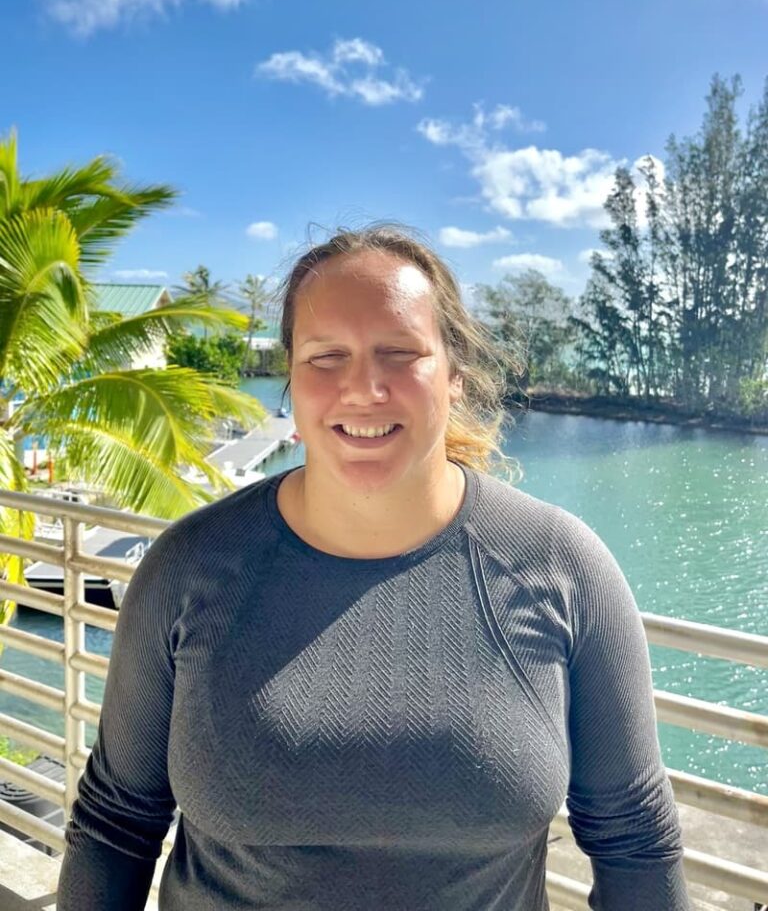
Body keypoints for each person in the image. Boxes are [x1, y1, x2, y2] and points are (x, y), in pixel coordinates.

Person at [57, 224, 691, 910]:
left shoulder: (563, 568)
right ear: (291, 385)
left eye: (400, 353)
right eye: (326, 357)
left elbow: (634, 839)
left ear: (454, 378)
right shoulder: (188, 569)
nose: (363, 387)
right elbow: (116, 824)